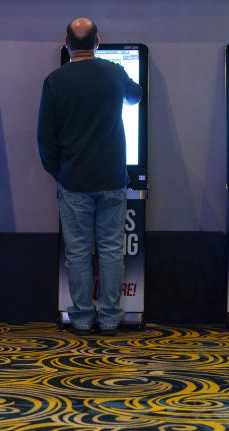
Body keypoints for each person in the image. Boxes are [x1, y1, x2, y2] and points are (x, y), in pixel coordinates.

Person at [37, 18, 142, 335]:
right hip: (111, 177)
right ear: (98, 42)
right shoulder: (113, 72)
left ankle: (82, 319)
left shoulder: (55, 80)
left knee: (78, 253)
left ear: (66, 44)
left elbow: (45, 137)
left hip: (74, 180)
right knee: (111, 251)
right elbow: (135, 96)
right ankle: (110, 318)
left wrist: (58, 171)